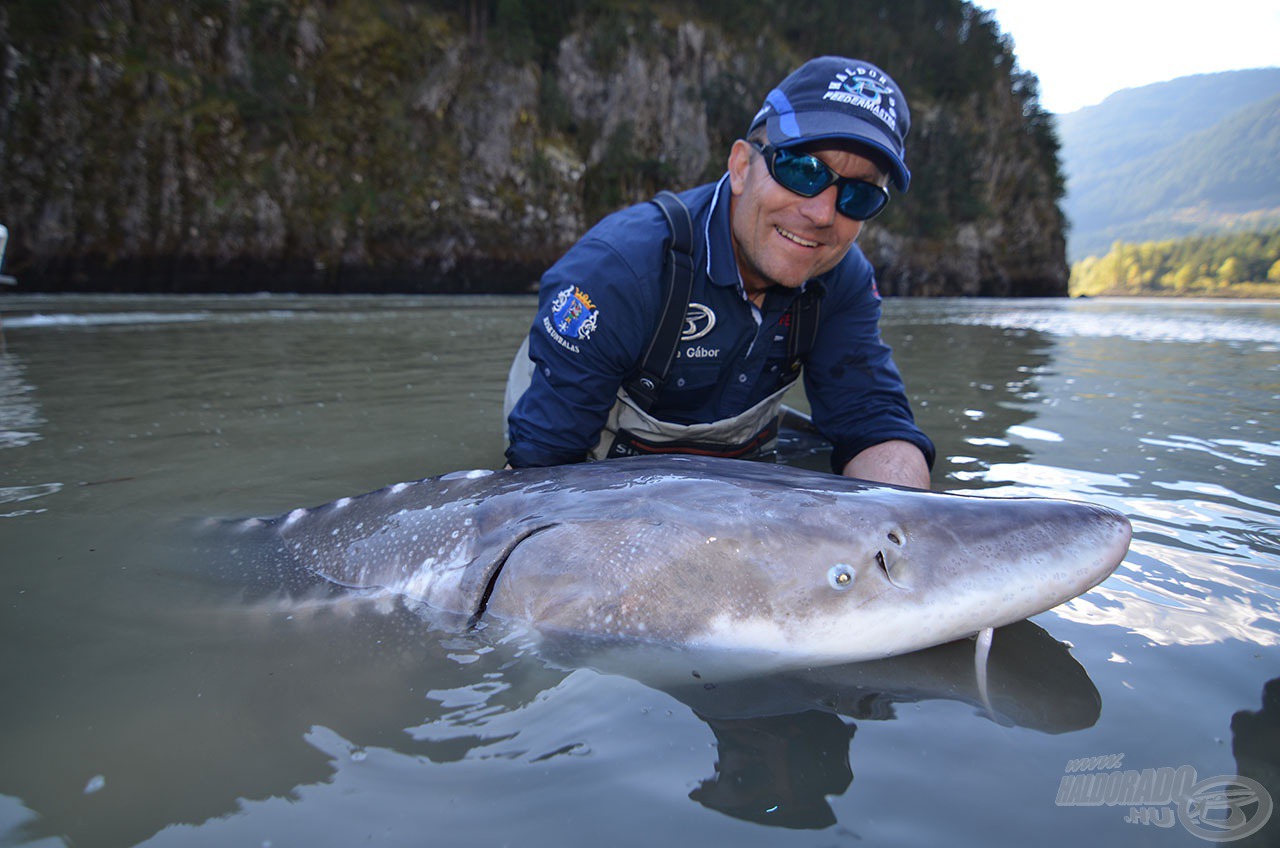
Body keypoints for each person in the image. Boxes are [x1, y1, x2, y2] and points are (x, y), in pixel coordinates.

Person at [504, 56, 934, 489]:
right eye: (802, 170)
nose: (822, 214)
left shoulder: (842, 275)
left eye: (859, 196)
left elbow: (872, 420)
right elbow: (538, 477)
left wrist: (909, 531)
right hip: (576, 436)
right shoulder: (621, 269)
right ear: (742, 167)